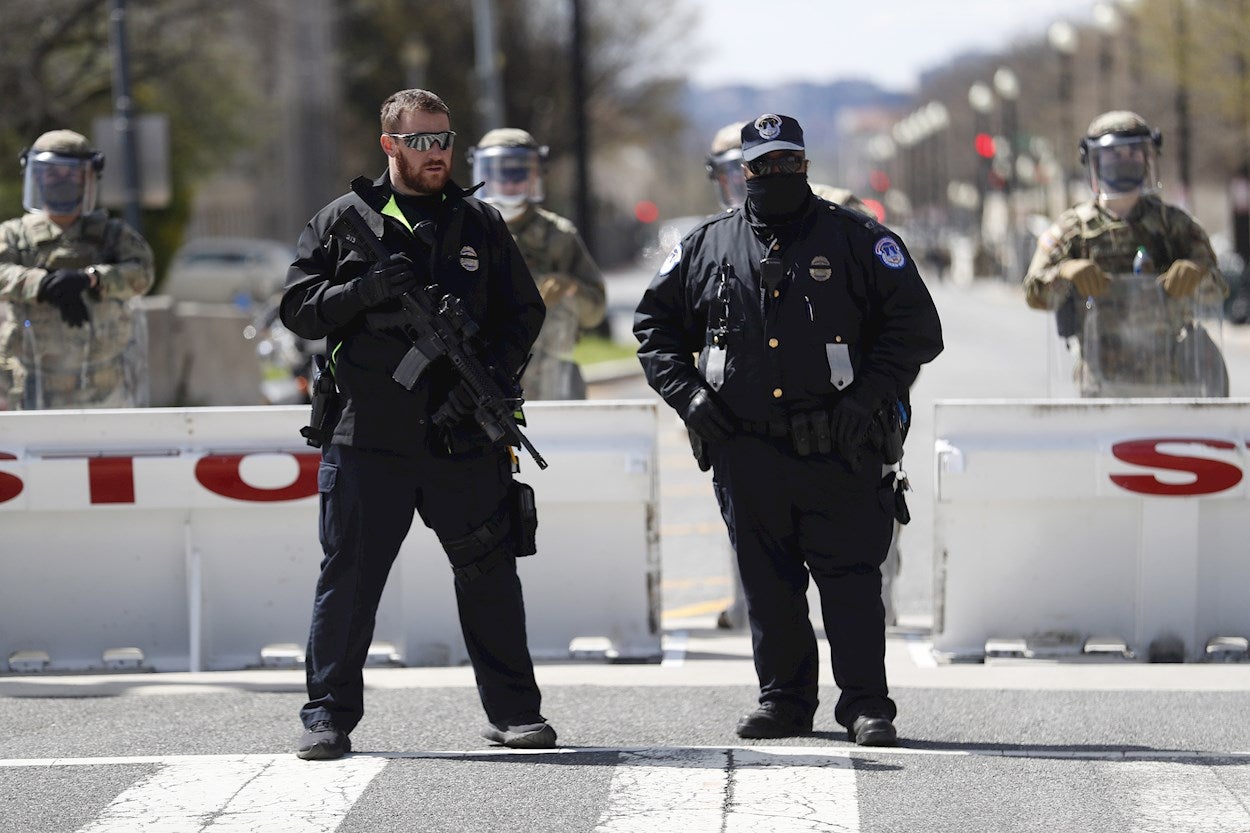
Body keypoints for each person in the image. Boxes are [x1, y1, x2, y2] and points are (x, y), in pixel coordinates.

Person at [636, 114, 943, 746]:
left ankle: (864, 705)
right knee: (768, 585)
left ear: (804, 166)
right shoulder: (705, 247)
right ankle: (784, 701)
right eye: (763, 166)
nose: (776, 174)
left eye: (787, 163)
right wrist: (689, 397)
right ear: (742, 172)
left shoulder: (858, 238)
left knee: (852, 582)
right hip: (746, 449)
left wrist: (868, 399)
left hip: (841, 445)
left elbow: (916, 329)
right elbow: (654, 331)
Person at [280, 88, 554, 760]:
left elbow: (525, 313)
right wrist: (360, 291)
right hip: (368, 436)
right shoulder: (344, 221)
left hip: (460, 437)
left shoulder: (479, 222)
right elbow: (297, 308)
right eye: (423, 140)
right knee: (349, 580)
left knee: (490, 574)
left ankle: (516, 712)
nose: (438, 153)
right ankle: (327, 717)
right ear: (390, 146)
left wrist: (489, 378)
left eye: (445, 139)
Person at [704, 122, 903, 631]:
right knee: (753, 526)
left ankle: (884, 602)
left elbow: (890, 318)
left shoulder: (838, 212)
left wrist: (868, 399)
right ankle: (747, 607)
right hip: (759, 422)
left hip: (846, 407)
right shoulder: (722, 234)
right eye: (735, 171)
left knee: (864, 521)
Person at [1023, 110, 1228, 396]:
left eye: (1133, 153)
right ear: (1094, 161)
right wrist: (1064, 272)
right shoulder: (1073, 229)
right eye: (1113, 155)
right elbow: (1034, 291)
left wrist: (1197, 273)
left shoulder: (1174, 225)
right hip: (1100, 381)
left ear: (1148, 158)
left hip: (1171, 381)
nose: (1124, 161)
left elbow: (1218, 288)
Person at [0, 129, 154, 410]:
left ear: (87, 178)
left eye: (70, 174)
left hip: (103, 388)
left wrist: (92, 279)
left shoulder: (112, 235)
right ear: (36, 176)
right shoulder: (13, 235)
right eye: (52, 173)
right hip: (31, 388)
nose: (61, 180)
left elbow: (142, 273)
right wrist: (40, 284)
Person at [467, 128, 605, 400]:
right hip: (482, 383)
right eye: (498, 173)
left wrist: (571, 288)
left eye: (517, 172)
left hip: (552, 385)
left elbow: (595, 312)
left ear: (534, 174)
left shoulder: (559, 236)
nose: (508, 183)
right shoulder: (466, 231)